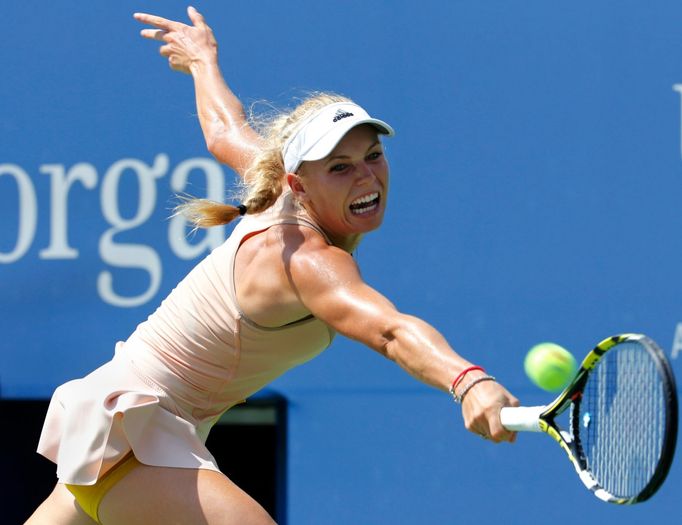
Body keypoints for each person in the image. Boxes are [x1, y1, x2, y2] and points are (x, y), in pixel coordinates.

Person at [26, 6, 519, 525]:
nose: (366, 178)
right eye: (340, 167)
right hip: (131, 433)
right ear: (299, 184)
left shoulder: (272, 179)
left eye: (373, 155)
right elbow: (390, 331)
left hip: (129, 428)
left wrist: (202, 60)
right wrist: (467, 380)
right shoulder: (306, 259)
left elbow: (224, 129)